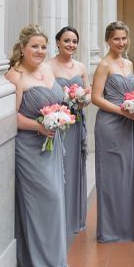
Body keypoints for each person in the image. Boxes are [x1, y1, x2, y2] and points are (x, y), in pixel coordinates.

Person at [7, 24, 68, 267]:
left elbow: (58, 100)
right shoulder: (15, 76)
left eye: (43, 46)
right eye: (34, 46)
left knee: (55, 200)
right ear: (22, 48)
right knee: (47, 199)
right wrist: (39, 126)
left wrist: (60, 117)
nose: (40, 51)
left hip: (51, 146)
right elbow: (13, 117)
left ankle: (53, 258)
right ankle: (39, 259)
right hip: (30, 148)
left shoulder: (46, 70)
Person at [90, 21, 134, 242]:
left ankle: (130, 226)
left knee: (130, 173)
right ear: (108, 40)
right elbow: (96, 98)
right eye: (116, 39)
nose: (121, 43)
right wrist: (122, 111)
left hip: (129, 123)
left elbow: (131, 91)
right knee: (113, 176)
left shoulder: (129, 63)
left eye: (124, 38)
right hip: (110, 125)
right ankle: (111, 229)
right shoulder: (104, 65)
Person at [46, 26, 89, 235]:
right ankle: (58, 217)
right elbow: (47, 95)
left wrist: (81, 100)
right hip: (59, 123)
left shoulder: (81, 67)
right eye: (66, 41)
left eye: (74, 41)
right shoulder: (49, 67)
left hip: (77, 121)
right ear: (57, 43)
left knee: (74, 167)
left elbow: (88, 94)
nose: (71, 45)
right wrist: (65, 101)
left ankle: (74, 217)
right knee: (60, 167)